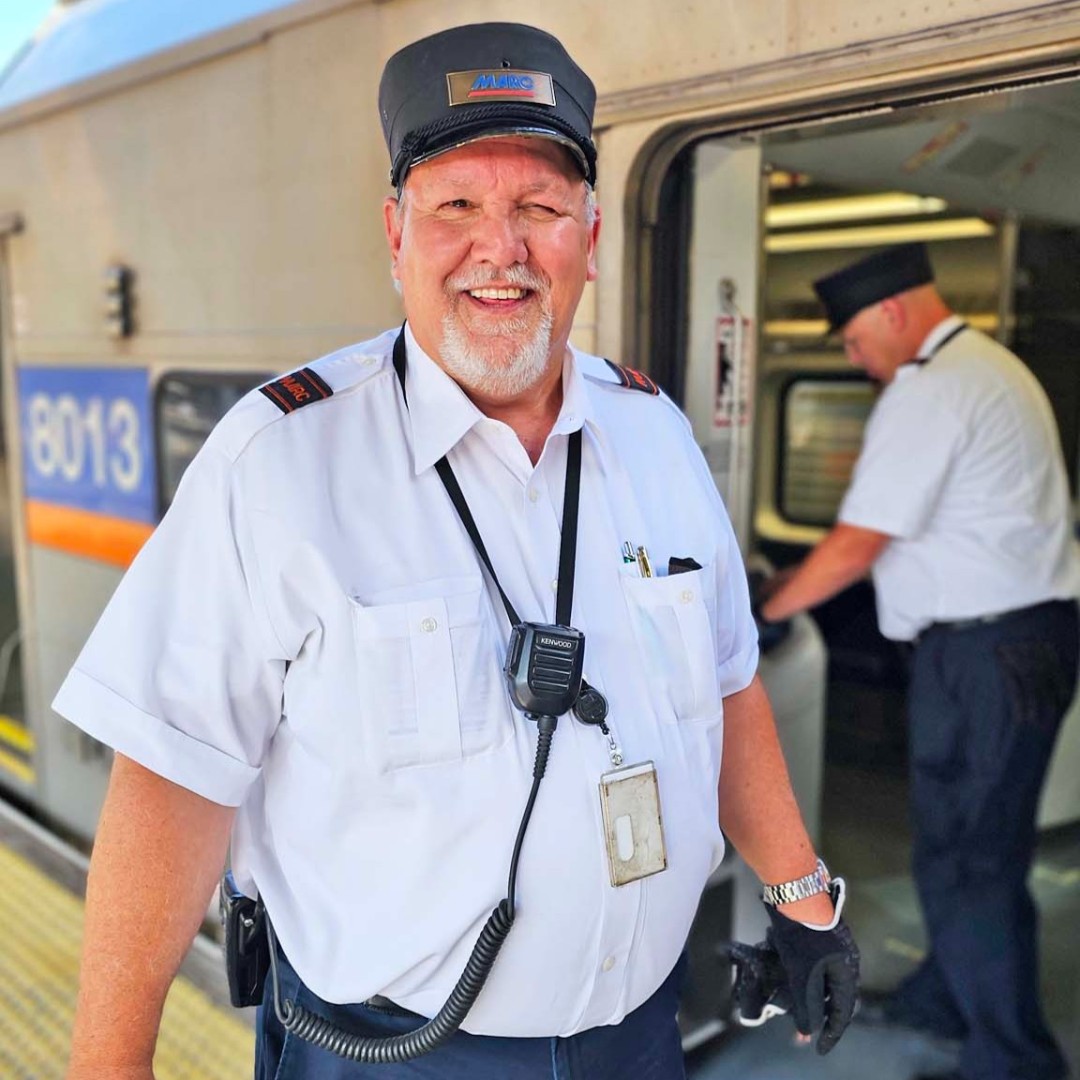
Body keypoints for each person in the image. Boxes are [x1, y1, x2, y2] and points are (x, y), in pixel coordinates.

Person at [57, 22, 857, 1080]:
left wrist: (802, 898)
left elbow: (726, 682)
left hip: (639, 1038)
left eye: (538, 207)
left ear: (590, 235)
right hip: (390, 1051)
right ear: (395, 233)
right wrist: (110, 1065)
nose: (502, 247)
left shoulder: (653, 434)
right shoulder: (281, 459)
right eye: (456, 207)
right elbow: (172, 775)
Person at [759, 242, 1080, 1080]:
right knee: (978, 849)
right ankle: (948, 997)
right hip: (1016, 643)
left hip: (983, 654)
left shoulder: (931, 392)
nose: (856, 359)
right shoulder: (993, 367)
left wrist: (759, 610)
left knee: (969, 861)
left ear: (893, 313)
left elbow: (860, 542)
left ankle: (1014, 1062)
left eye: (856, 341)